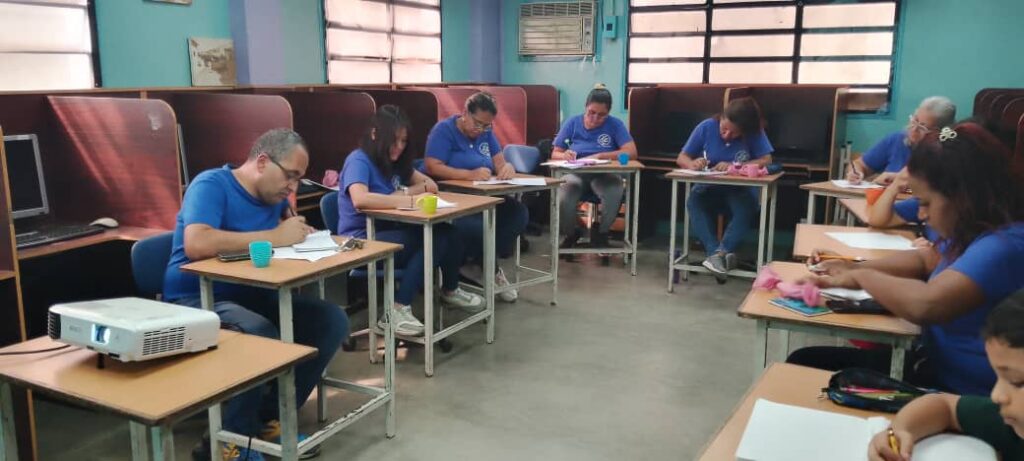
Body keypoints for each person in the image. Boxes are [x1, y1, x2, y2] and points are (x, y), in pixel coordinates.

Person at [789, 123, 1024, 396]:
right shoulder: (974, 229)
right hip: (934, 367)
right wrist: (852, 267)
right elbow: (927, 260)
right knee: (804, 362)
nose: (921, 215)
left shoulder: (1005, 245)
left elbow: (927, 304)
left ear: (963, 197)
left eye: (926, 203)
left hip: (964, 394)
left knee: (804, 369)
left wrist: (861, 276)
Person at [163, 129, 346, 461]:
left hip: (250, 295)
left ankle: (266, 417)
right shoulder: (211, 185)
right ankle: (230, 441)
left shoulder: (274, 198)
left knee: (331, 320)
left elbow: (283, 234)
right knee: (260, 331)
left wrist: (300, 233)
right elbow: (197, 243)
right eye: (290, 175)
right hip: (196, 299)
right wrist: (275, 237)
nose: (293, 187)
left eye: (298, 179)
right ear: (262, 162)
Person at [338, 105, 484, 336]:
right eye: (393, 141)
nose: (399, 147)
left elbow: (430, 185)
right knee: (434, 239)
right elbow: (360, 199)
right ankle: (396, 310)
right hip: (362, 242)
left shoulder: (395, 162)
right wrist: (408, 199)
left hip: (390, 232)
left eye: (403, 141)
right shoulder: (359, 160)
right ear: (375, 134)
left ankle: (450, 290)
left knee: (450, 232)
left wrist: (404, 191)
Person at [867, 289, 1024, 461]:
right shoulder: (1008, 422)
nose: (996, 395)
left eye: (1016, 381)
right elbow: (944, 406)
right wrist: (899, 431)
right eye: (997, 378)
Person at [423, 92, 527, 302]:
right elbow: (432, 166)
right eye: (477, 123)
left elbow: (500, 163)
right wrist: (468, 175)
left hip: (484, 197)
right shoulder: (444, 131)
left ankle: (479, 263)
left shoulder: (486, 133)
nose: (480, 129)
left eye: (486, 126)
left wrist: (507, 167)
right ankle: (488, 268)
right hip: (454, 199)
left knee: (518, 214)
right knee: (480, 227)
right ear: (465, 113)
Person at [675, 97, 773, 279]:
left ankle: (718, 255)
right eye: (724, 129)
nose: (727, 135)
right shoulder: (706, 127)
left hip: (739, 189)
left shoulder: (754, 132)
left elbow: (766, 160)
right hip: (709, 187)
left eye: (734, 133)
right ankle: (717, 255)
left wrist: (735, 166)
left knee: (746, 206)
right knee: (694, 201)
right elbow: (682, 157)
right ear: (721, 118)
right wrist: (692, 164)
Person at [552, 84, 637, 254]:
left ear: (608, 113)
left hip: (604, 174)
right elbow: (555, 153)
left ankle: (602, 233)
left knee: (614, 189)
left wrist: (601, 156)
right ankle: (571, 233)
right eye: (591, 112)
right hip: (576, 174)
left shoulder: (615, 125)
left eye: (601, 115)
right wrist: (564, 155)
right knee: (564, 194)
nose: (595, 118)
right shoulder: (572, 123)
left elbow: (632, 152)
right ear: (585, 107)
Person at [847, 96, 956, 186]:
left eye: (922, 127)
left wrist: (900, 179)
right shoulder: (897, 139)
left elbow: (942, 187)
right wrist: (855, 172)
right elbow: (859, 164)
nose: (913, 129)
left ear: (940, 132)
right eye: (914, 120)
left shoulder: (948, 152)